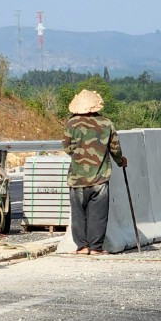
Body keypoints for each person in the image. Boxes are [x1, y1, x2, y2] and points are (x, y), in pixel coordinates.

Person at [63, 89, 126, 255]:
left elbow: (67, 147)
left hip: (77, 178)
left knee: (78, 215)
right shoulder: (106, 123)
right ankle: (96, 247)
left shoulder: (71, 124)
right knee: (98, 215)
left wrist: (78, 155)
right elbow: (115, 148)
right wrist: (120, 161)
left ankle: (82, 247)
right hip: (100, 177)